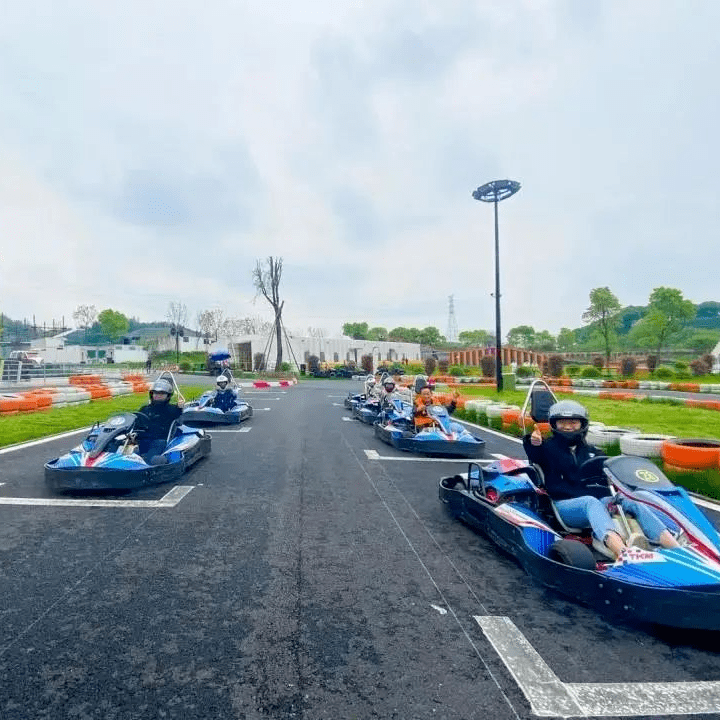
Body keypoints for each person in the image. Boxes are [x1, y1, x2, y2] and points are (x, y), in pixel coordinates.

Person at [523, 400, 679, 558]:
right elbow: (534, 452)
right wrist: (533, 441)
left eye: (573, 422)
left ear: (582, 425)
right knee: (591, 502)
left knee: (631, 502)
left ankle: (672, 545)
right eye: (562, 423)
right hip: (565, 506)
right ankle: (622, 551)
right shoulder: (547, 448)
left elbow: (608, 476)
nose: (568, 427)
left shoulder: (593, 452)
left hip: (598, 501)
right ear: (554, 425)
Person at [136, 378, 184, 464]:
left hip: (159, 440)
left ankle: (147, 463)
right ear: (152, 394)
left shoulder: (172, 409)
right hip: (141, 439)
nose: (158, 395)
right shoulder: (145, 409)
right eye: (155, 393)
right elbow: (136, 422)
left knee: (156, 448)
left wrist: (180, 408)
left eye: (161, 393)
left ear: (168, 396)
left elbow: (179, 417)